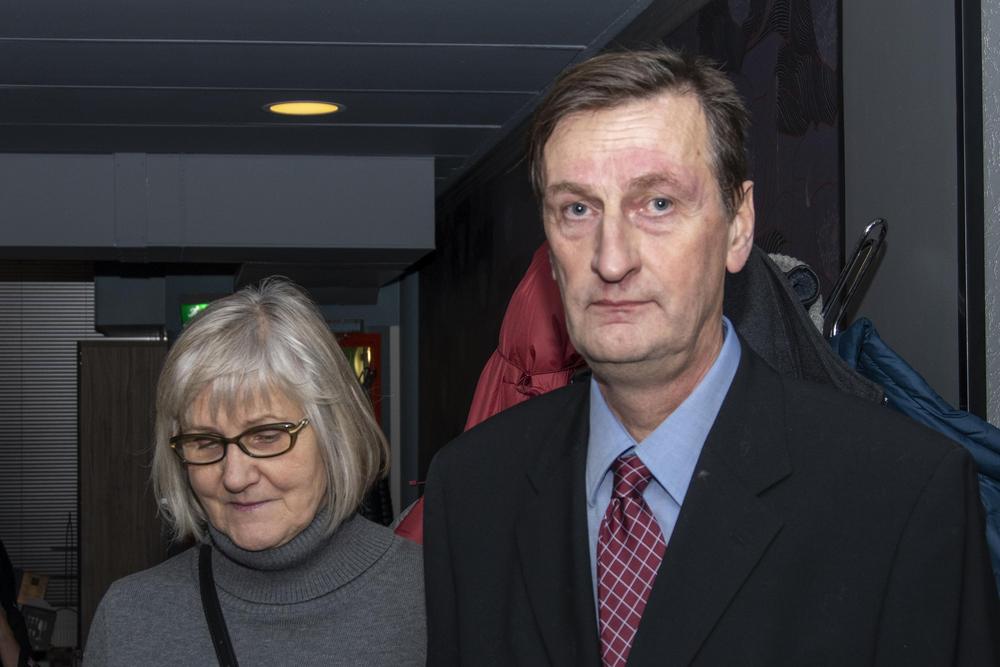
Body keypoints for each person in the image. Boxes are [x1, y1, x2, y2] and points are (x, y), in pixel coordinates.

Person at [423, 48, 1000, 666]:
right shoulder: (473, 487)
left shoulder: (901, 492)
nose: (611, 259)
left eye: (658, 203)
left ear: (738, 226)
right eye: (578, 209)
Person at [85, 279, 425, 666]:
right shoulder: (129, 618)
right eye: (205, 441)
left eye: (266, 436)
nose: (234, 477)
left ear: (334, 433)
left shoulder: (432, 597)